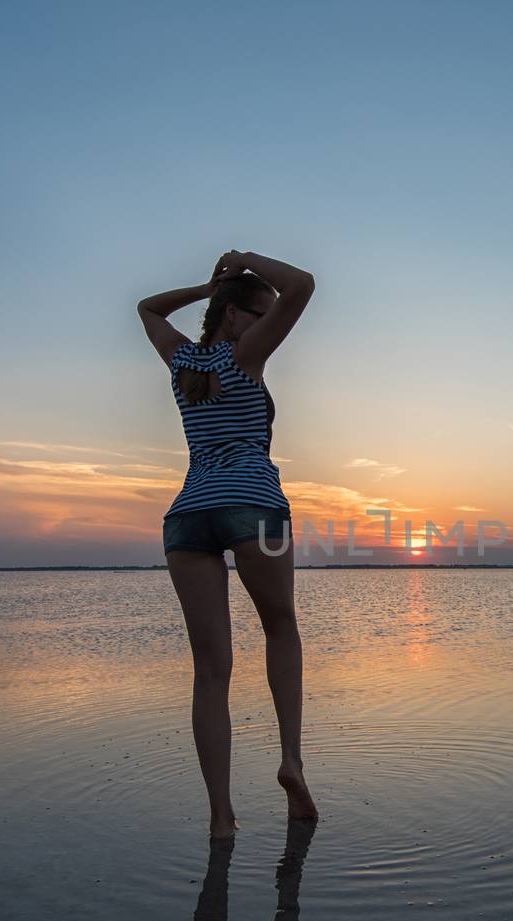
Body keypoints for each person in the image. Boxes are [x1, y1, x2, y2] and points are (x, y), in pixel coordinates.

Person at [137, 249, 319, 840]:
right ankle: (290, 760)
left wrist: (207, 287)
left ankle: (221, 816)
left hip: (188, 517)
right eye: (260, 312)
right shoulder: (247, 353)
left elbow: (147, 307)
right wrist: (242, 261)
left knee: (210, 672)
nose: (270, 320)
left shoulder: (180, 360)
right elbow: (304, 285)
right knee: (281, 628)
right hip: (252, 506)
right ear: (238, 317)